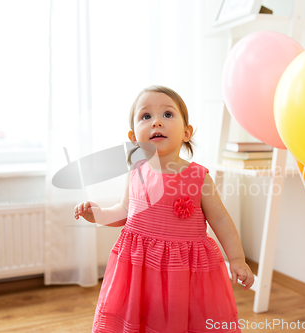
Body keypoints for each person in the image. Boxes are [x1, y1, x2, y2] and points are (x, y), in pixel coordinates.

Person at [74, 85, 254, 332]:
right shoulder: (136, 172)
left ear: (187, 132)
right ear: (133, 137)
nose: (156, 122)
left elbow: (221, 220)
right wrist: (97, 214)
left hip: (183, 271)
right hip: (139, 268)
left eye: (167, 114)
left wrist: (236, 258)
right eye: (146, 116)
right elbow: (124, 211)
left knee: (179, 321)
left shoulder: (198, 177)